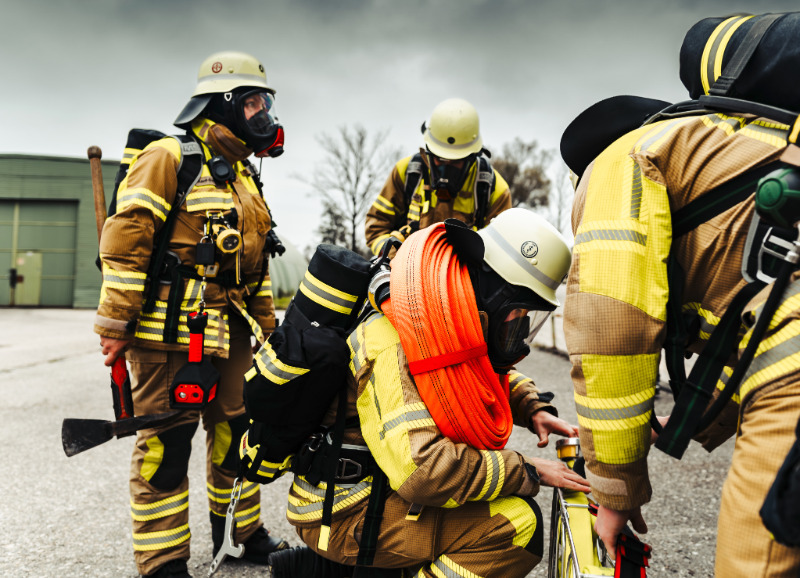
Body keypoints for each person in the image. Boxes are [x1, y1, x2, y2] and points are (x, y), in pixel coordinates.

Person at [560, 12, 800, 576]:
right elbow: (744, 314)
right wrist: (694, 420)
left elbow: (610, 333)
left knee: (756, 560)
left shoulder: (620, 162)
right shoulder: (730, 144)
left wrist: (614, 494)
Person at [269, 208, 590, 577]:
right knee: (516, 524)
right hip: (345, 513)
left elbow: (472, 374)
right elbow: (422, 473)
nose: (518, 332)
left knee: (497, 495)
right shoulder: (390, 340)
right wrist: (528, 469)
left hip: (375, 493)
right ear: (494, 292)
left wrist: (530, 406)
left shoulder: (440, 320)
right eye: (517, 313)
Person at [95, 50, 287, 577]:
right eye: (252, 102)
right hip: (168, 335)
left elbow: (258, 263)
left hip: (233, 333)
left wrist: (267, 333)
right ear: (221, 104)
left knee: (237, 434)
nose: (262, 113)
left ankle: (240, 536)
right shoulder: (168, 157)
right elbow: (126, 240)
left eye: (263, 102)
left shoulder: (245, 175)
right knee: (167, 443)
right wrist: (115, 324)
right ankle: (162, 561)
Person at [364, 97, 511, 257]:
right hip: (405, 273)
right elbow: (376, 227)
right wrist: (399, 259)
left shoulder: (494, 190)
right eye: (439, 159)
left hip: (465, 280)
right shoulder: (406, 173)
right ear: (428, 150)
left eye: (455, 162)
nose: (445, 168)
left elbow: (500, 255)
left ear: (472, 156)